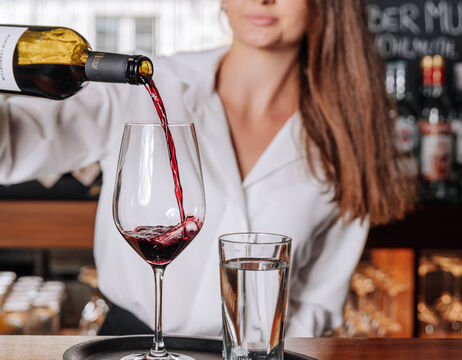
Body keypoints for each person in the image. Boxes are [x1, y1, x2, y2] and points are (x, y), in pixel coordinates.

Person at [0, 0, 414, 337]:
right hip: (128, 345)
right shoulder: (143, 85)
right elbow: (9, 152)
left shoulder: (349, 131)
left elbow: (319, 302)